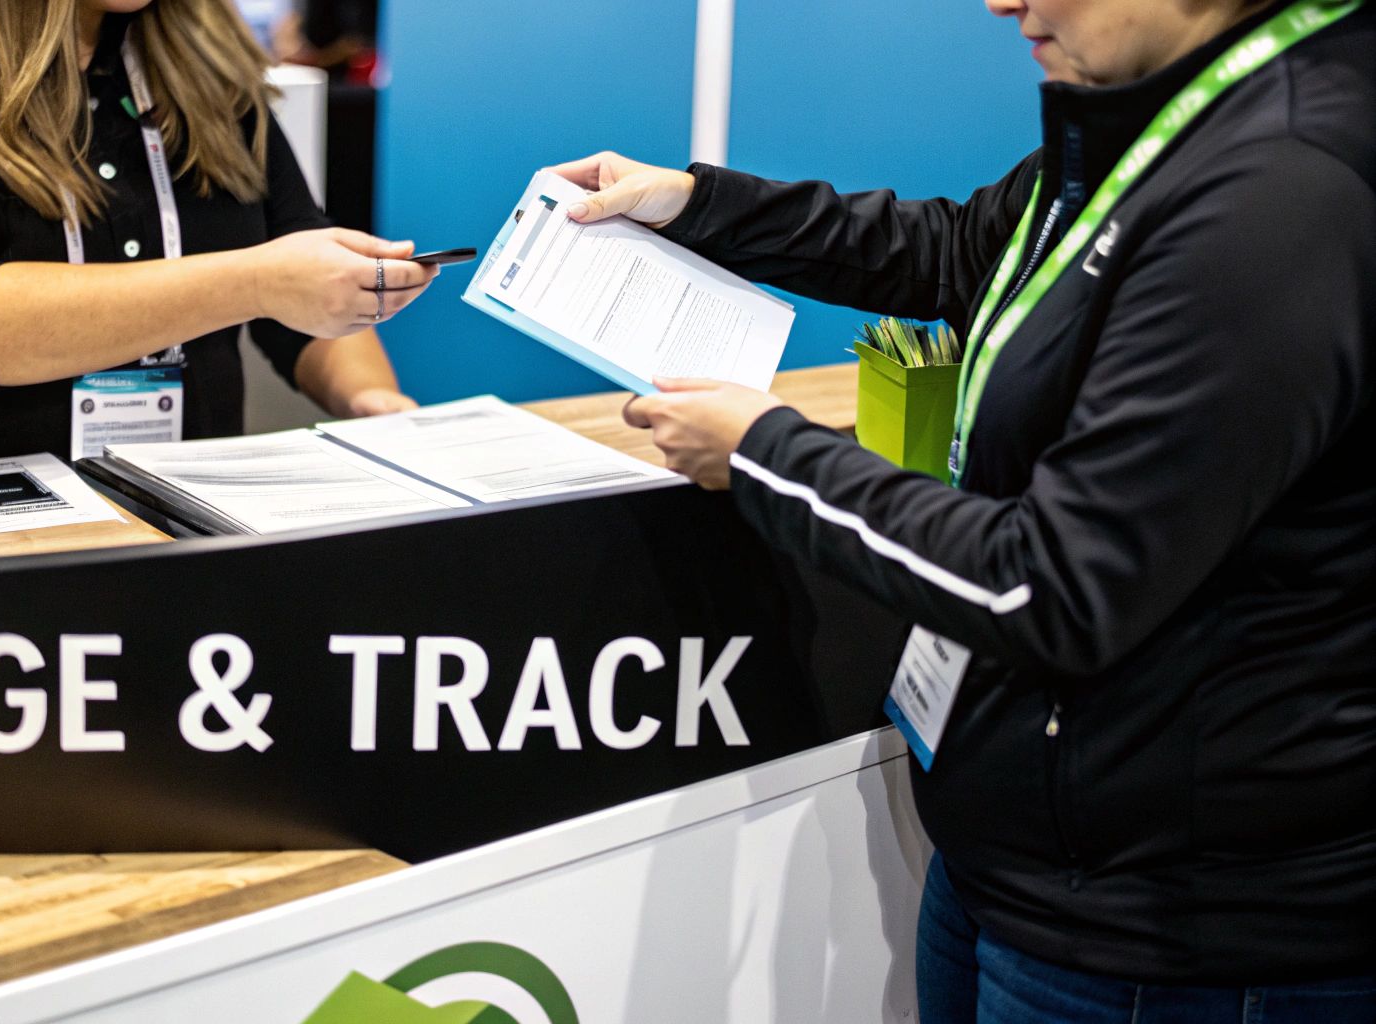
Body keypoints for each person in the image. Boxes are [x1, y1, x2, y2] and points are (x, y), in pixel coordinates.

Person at [564, 0, 1375, 1019]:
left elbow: (1056, 581)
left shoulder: (1284, 185)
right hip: (1044, 865)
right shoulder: (1168, 122)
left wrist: (766, 456)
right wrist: (696, 206)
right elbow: (957, 251)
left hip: (1172, 933)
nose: (999, 0)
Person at [0, 0, 436, 500]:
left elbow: (295, 254)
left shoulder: (202, 59)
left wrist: (369, 396)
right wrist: (255, 281)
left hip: (170, 515)